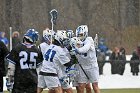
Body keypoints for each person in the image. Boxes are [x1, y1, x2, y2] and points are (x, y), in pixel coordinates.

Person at [6, 29, 43, 93]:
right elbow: (39, 70)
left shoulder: (17, 48)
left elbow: (11, 68)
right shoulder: (37, 51)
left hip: (19, 80)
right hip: (32, 81)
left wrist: (10, 81)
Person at [73, 25, 100, 93]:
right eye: (78, 35)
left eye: (81, 34)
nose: (79, 36)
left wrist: (77, 49)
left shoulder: (89, 40)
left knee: (95, 86)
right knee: (81, 86)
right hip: (82, 67)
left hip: (92, 66)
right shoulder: (76, 41)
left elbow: (84, 49)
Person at [37, 28, 55, 93]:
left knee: (53, 88)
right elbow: (38, 58)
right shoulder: (41, 46)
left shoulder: (54, 46)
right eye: (50, 36)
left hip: (52, 69)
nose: (52, 38)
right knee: (40, 87)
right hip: (42, 68)